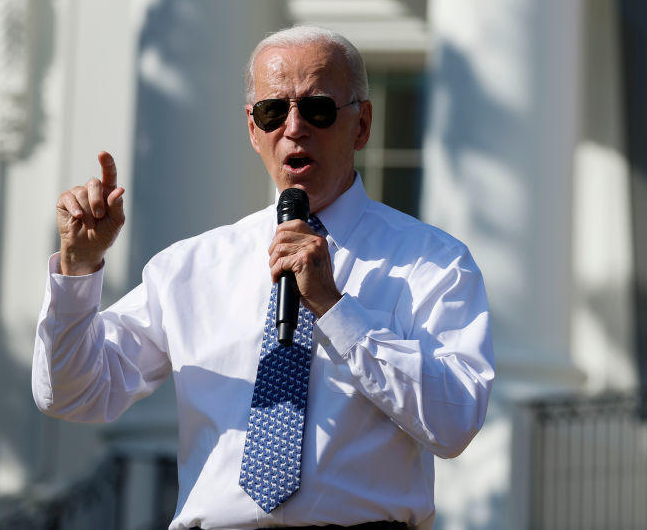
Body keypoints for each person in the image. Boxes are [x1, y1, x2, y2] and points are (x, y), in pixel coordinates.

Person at [32, 26, 495, 529]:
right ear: (253, 130)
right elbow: (71, 394)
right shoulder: (189, 268)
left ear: (361, 125)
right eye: (274, 111)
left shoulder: (432, 262)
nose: (294, 128)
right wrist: (78, 269)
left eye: (318, 108)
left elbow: (455, 422)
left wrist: (337, 310)